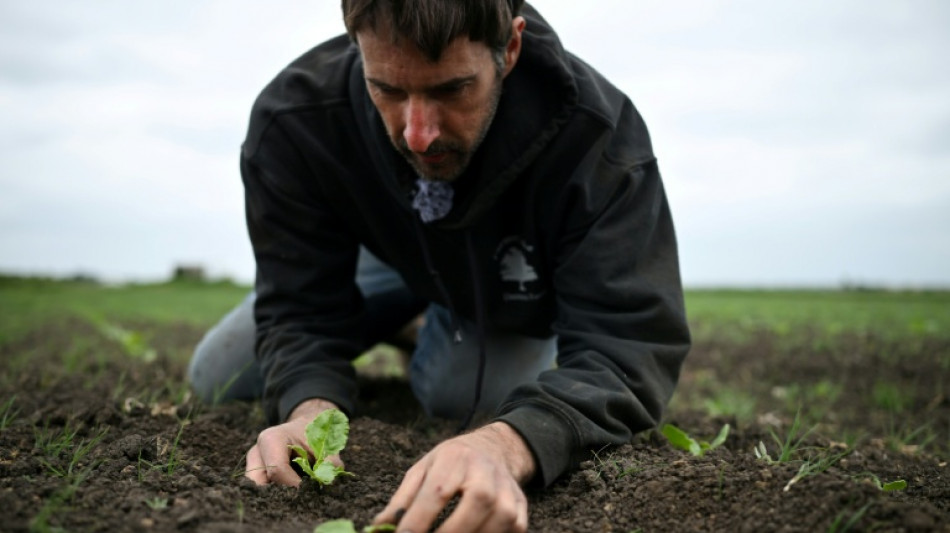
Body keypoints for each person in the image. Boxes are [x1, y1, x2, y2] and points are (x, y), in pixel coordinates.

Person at [188, 1, 690, 531]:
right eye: (387, 89)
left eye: (452, 89)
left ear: (511, 48)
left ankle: (431, 329)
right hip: (382, 257)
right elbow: (298, 306)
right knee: (220, 374)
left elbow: (628, 344)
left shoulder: (598, 138)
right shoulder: (295, 119)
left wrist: (507, 444)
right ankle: (404, 321)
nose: (418, 133)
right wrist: (310, 410)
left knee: (472, 401)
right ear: (358, 48)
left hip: (501, 285)